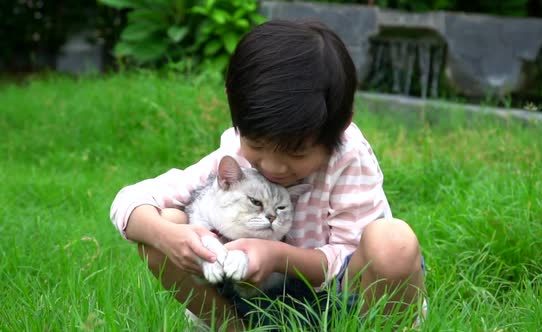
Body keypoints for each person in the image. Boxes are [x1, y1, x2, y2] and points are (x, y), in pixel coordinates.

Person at [110, 19, 425, 330]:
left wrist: (276, 256)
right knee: (163, 225)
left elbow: (347, 254)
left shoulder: (348, 157)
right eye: (256, 146)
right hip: (256, 297)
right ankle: (230, 327)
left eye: (297, 153)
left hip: (342, 299)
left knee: (393, 242)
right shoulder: (234, 152)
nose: (273, 167)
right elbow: (130, 200)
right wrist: (169, 238)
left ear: (339, 128)